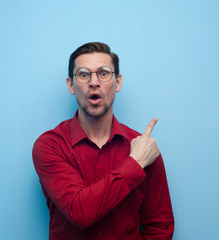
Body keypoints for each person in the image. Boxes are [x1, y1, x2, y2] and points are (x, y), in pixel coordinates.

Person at [32, 42, 174, 240]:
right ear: (71, 85)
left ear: (118, 82)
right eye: (83, 74)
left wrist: (140, 158)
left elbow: (161, 226)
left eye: (104, 73)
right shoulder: (50, 145)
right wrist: (135, 163)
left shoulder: (144, 148)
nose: (94, 82)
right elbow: (79, 212)